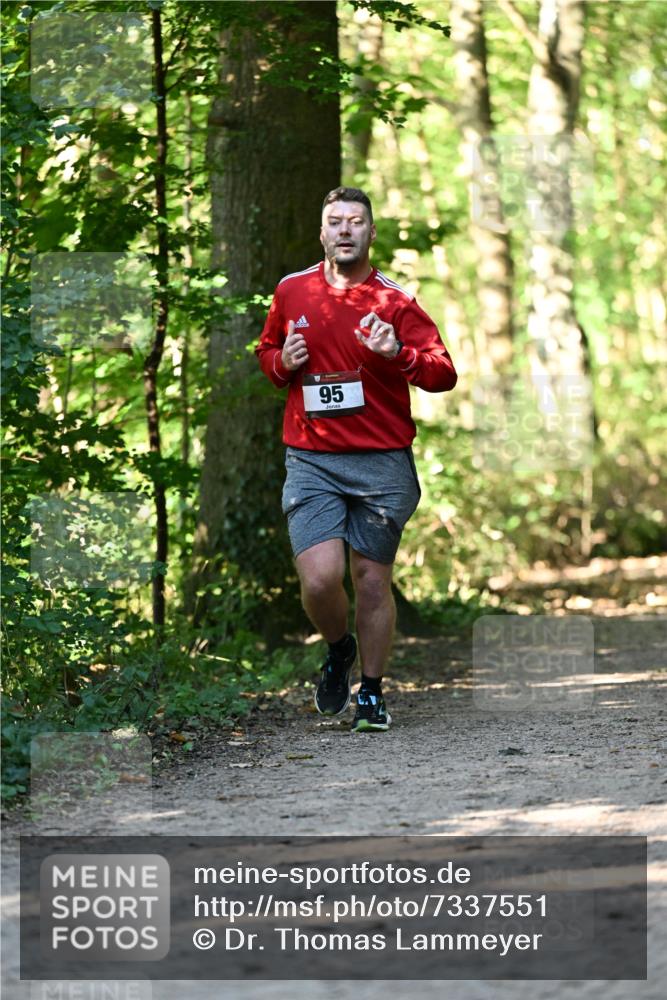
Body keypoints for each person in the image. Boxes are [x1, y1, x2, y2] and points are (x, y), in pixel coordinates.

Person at [256, 187, 457, 732]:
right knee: (321, 580)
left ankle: (371, 691)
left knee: (371, 578)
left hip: (381, 461)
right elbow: (267, 353)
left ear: (370, 233)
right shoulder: (292, 291)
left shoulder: (394, 302)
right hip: (312, 459)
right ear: (322, 233)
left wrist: (400, 354)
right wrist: (282, 362)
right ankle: (339, 648)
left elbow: (443, 372)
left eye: (356, 222)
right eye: (334, 221)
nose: (345, 230)